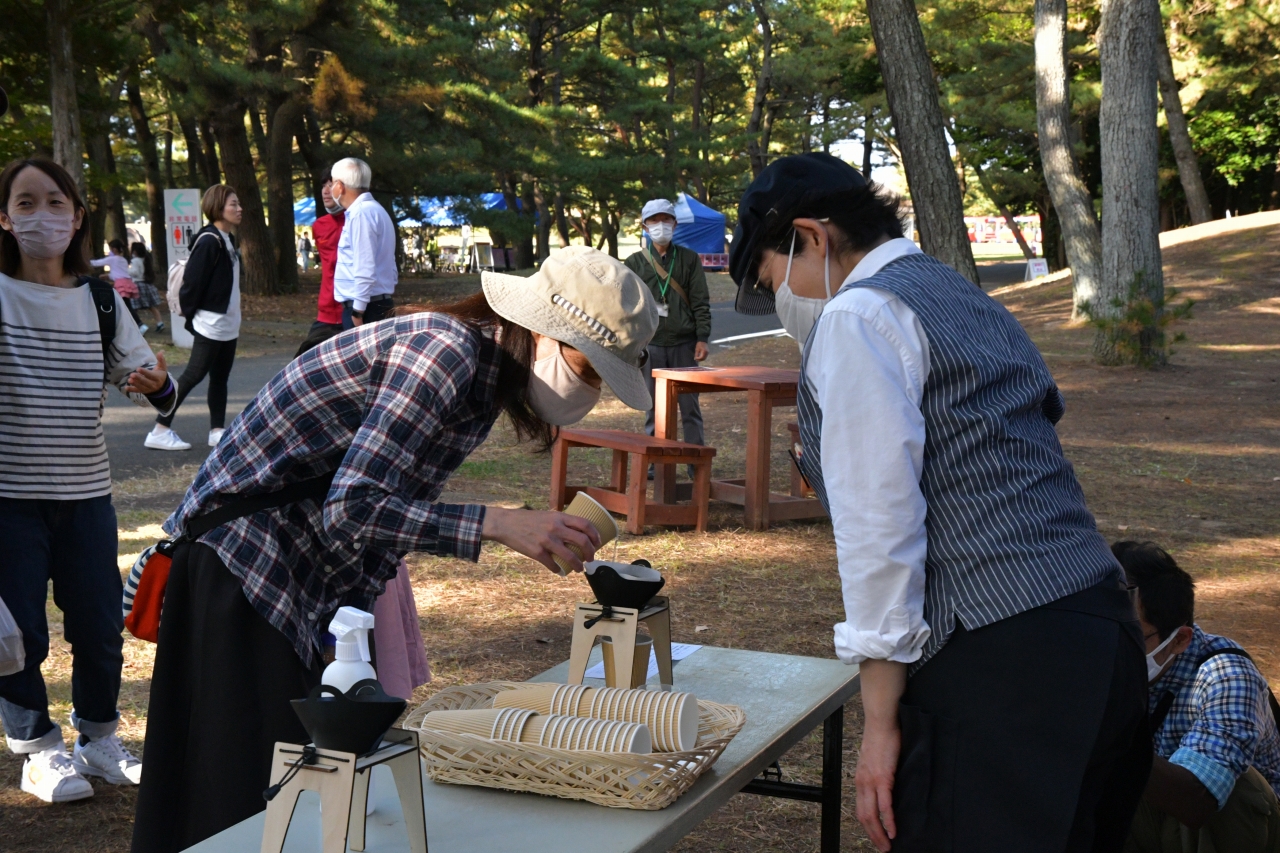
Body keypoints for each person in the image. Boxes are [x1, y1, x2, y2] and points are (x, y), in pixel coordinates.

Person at [130, 245, 658, 851]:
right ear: (542, 330)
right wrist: (498, 523)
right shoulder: (445, 352)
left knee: (272, 781)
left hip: (290, 576)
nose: (589, 389)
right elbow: (352, 508)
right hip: (242, 565)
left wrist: (348, 623)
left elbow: (379, 511)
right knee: (234, 792)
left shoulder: (483, 378)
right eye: (589, 368)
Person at [729, 153, 1151, 852]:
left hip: (1003, 658)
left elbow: (879, 527)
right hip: (1102, 631)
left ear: (812, 236)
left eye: (775, 276)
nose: (783, 299)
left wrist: (881, 722)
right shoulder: (960, 295)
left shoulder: (859, 315)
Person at [0, 157, 176, 804]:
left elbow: (153, 386)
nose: (42, 215)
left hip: (88, 495)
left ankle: (98, 738)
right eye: (25, 203)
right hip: (9, 499)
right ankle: (37, 750)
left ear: (77, 218)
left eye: (56, 203)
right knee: (19, 634)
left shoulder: (100, 298)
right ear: (4, 217)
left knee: (101, 625)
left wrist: (158, 384)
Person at [1113, 541, 1280, 852]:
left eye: (1129, 634)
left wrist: (1105, 734)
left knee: (1233, 788)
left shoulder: (1226, 675)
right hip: (1158, 826)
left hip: (1242, 833)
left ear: (1179, 640)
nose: (1109, 645)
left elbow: (1198, 801)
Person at [144, 184, 243, 452]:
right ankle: (160, 429)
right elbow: (191, 285)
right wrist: (193, 318)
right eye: (233, 204)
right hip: (210, 324)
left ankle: (217, 431)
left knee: (220, 378)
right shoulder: (209, 240)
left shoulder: (228, 239)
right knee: (192, 376)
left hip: (228, 323)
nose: (239, 208)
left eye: (238, 203)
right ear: (217, 208)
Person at [624, 198, 711, 470]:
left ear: (674, 223)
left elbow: (700, 299)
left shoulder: (688, 259)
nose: (660, 225)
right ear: (645, 226)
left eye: (665, 219)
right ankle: (656, 462)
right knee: (654, 407)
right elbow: (626, 305)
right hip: (650, 345)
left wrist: (702, 337)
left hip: (684, 344)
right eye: (654, 220)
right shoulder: (634, 262)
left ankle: (696, 461)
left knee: (690, 407)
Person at [330, 157, 397, 330]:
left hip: (366, 309)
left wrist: (358, 311)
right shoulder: (374, 210)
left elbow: (364, 266)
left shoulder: (361, 214)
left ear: (339, 186)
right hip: (374, 303)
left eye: (332, 183)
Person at [294, 174, 346, 356]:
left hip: (352, 311)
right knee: (301, 365)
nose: (325, 190)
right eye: (323, 185)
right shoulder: (319, 226)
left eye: (331, 185)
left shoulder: (356, 221)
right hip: (325, 311)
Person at [92, 238, 141, 325]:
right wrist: (108, 276)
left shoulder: (113, 259)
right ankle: (134, 323)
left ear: (114, 249)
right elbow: (119, 273)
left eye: (110, 249)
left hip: (120, 284)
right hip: (128, 282)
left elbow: (97, 263)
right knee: (126, 304)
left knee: (124, 305)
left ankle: (138, 323)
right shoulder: (123, 260)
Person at [128, 241, 165, 335]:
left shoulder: (135, 260)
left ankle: (137, 326)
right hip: (146, 285)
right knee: (151, 306)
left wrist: (126, 270)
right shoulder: (145, 259)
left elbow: (135, 272)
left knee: (133, 308)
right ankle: (160, 323)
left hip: (137, 285)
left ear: (135, 251)